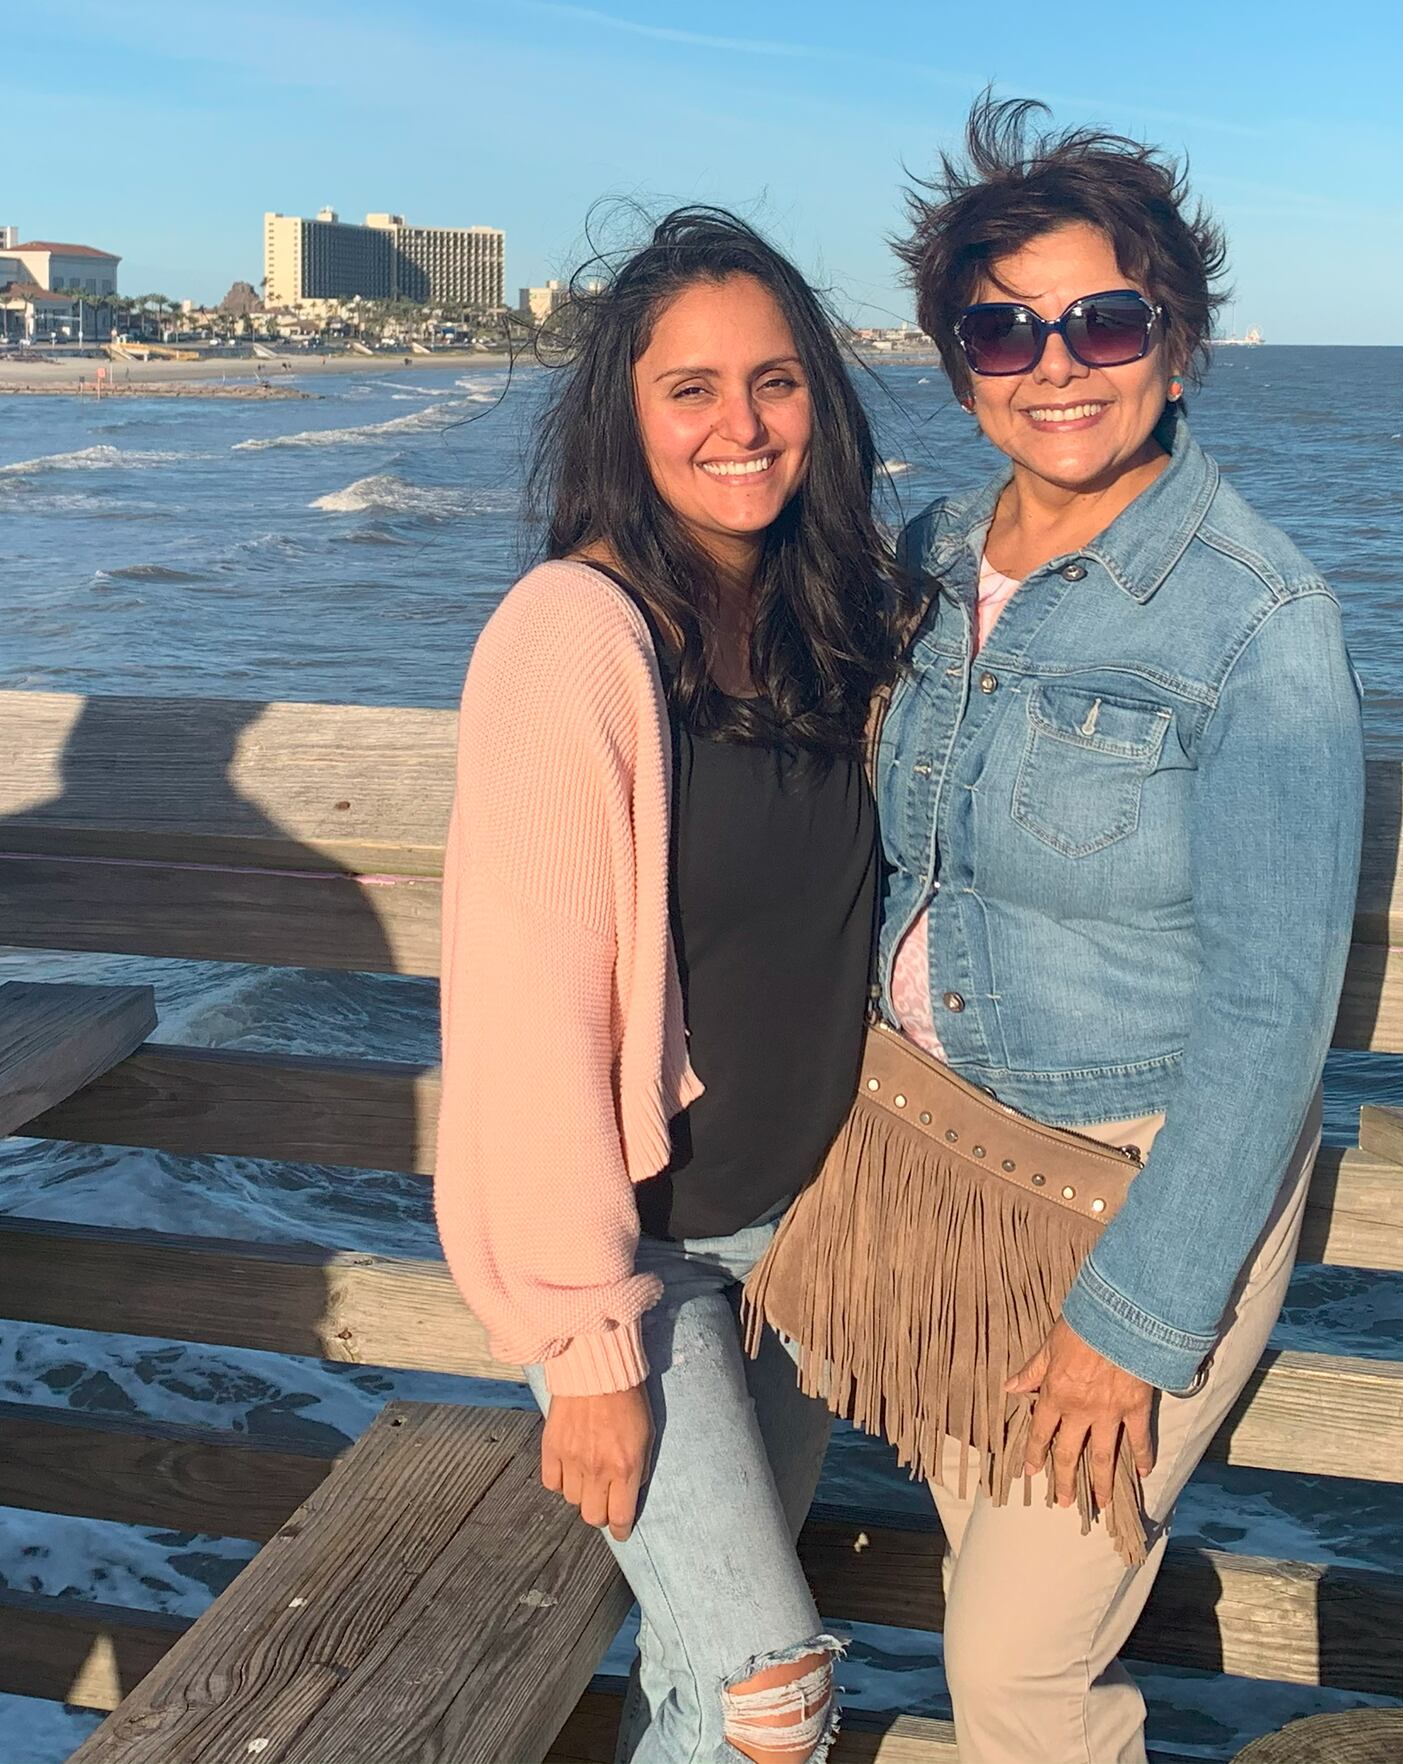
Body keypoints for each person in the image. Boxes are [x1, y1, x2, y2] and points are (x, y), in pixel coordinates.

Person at [877, 97, 1365, 1763]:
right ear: (957, 360)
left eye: (1103, 319)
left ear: (1175, 338)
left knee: (1017, 1674)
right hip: (934, 1170)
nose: (1055, 364)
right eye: (1003, 327)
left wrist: (1133, 1317)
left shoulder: (1258, 615)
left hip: (1129, 1181)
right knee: (989, 1591)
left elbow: (1272, 1011)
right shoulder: (929, 562)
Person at [434, 208, 917, 1764]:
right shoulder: (571, 638)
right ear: (622, 412)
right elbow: (531, 1019)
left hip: (803, 1242)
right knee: (774, 1687)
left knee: (703, 1691)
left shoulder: (823, 615)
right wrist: (589, 1349)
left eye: (775, 382)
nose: (740, 425)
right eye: (690, 388)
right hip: (645, 1265)